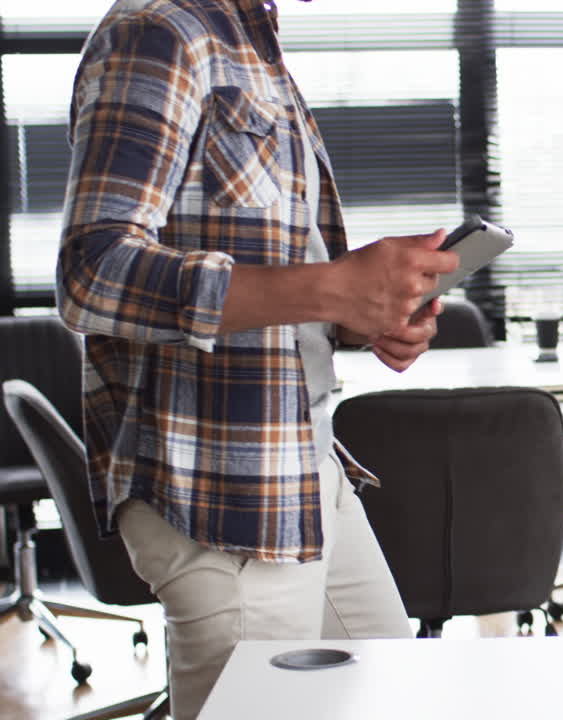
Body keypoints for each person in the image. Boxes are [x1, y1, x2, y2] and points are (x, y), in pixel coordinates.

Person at [57, 1, 459, 718]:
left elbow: (272, 279)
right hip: (221, 490)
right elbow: (93, 272)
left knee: (396, 699)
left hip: (308, 463)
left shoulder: (250, 43)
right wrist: (334, 287)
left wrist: (358, 314)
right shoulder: (160, 31)